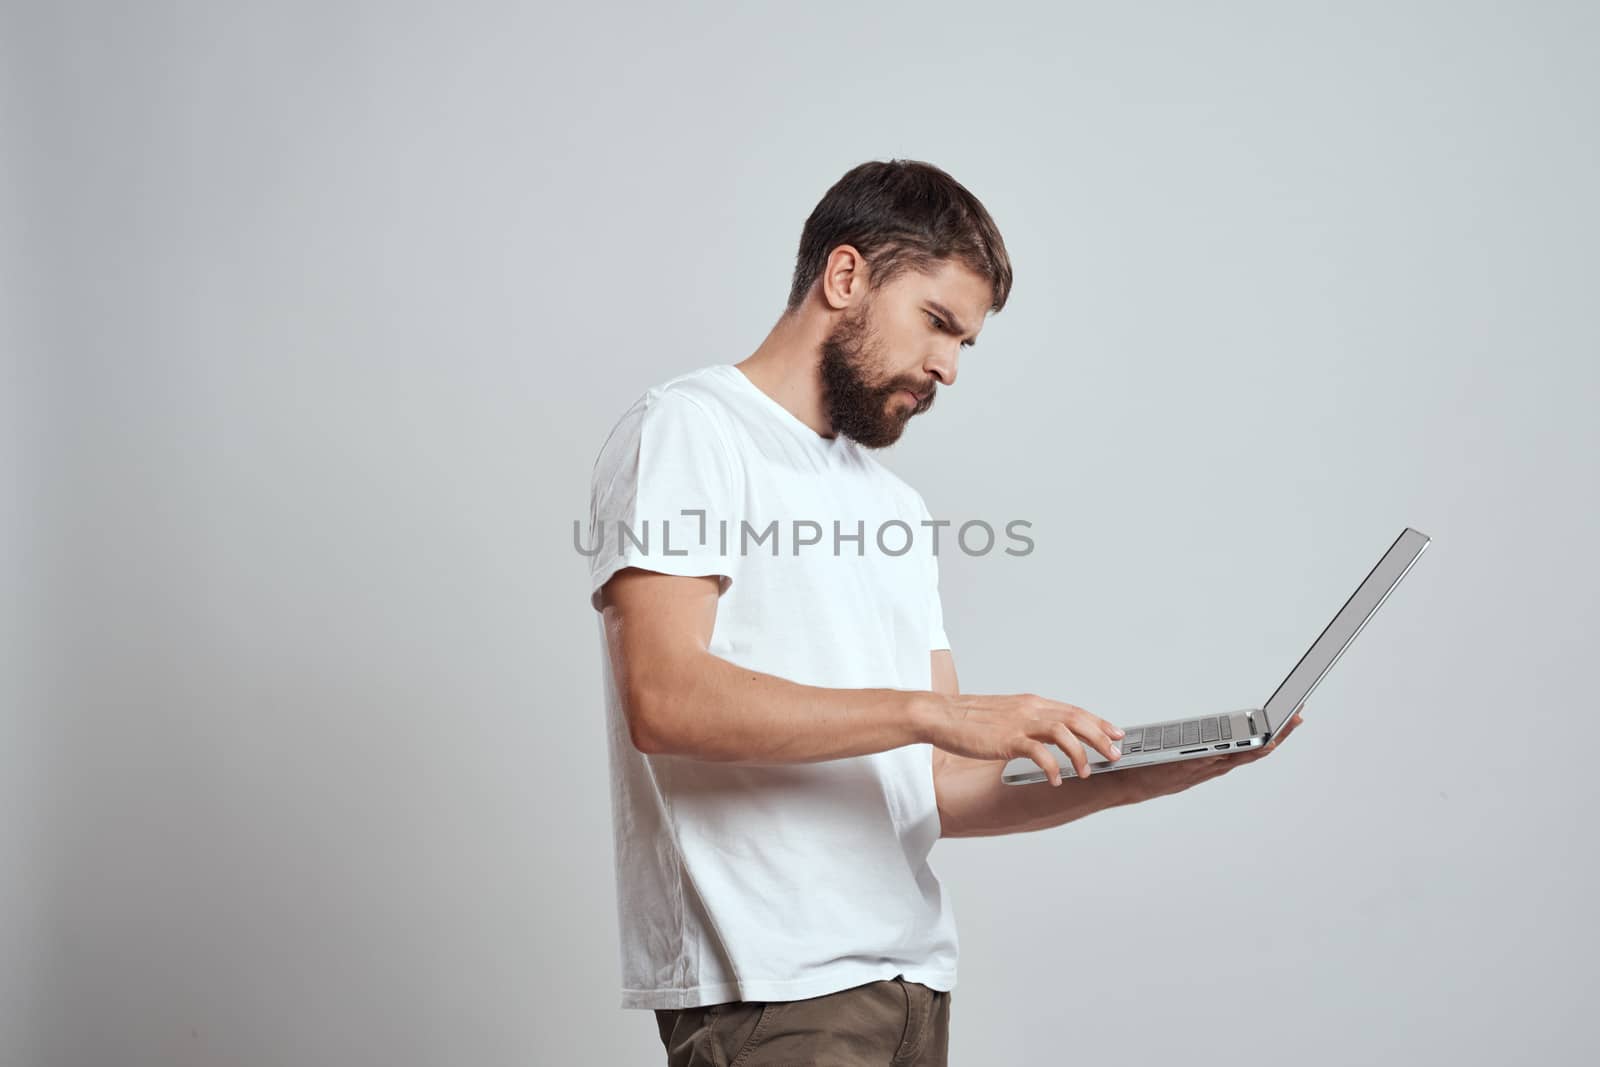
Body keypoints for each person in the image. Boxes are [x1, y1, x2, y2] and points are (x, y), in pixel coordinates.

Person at [584, 158, 1303, 1066]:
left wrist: (1157, 771)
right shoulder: (690, 429)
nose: (949, 368)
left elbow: (940, 787)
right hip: (776, 996)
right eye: (937, 323)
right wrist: (940, 713)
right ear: (844, 278)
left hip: (911, 989)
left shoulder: (894, 509)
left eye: (967, 343)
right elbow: (666, 698)